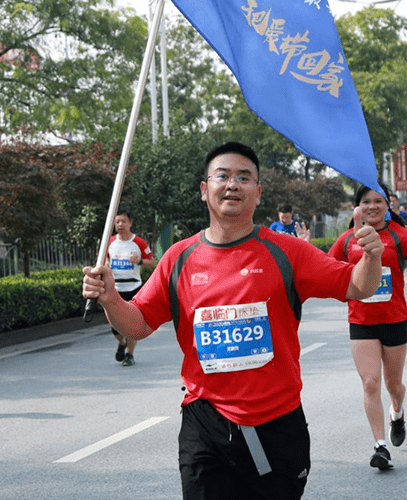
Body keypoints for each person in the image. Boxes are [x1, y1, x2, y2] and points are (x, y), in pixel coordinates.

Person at [82, 141, 384, 499]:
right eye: (222, 176)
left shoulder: (288, 252)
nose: (232, 184)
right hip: (206, 424)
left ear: (258, 193)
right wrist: (111, 298)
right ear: (204, 190)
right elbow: (138, 324)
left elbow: (356, 286)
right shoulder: (179, 258)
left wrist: (371, 257)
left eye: (244, 177)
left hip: (278, 421)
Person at [330, 183, 407, 470]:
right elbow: (326, 270)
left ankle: (398, 412)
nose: (373, 207)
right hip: (361, 321)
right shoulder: (347, 239)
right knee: (369, 383)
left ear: (388, 205)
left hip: (394, 320)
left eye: (379, 201)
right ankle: (380, 446)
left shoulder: (400, 236)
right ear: (358, 207)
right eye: (366, 201)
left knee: (394, 386)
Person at [105, 210, 155, 367]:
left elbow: (152, 262)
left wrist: (139, 261)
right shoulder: (110, 242)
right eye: (117, 221)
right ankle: (122, 342)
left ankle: (129, 354)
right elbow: (104, 261)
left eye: (123, 221)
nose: (120, 224)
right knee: (115, 327)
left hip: (134, 287)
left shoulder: (139, 242)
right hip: (116, 288)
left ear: (130, 223)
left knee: (132, 324)